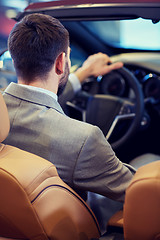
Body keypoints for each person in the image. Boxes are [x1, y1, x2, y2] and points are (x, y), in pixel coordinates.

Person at [3, 13, 136, 203]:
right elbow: (139, 190)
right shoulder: (83, 140)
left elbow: (33, 99)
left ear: (15, 59)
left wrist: (83, 73)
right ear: (60, 62)